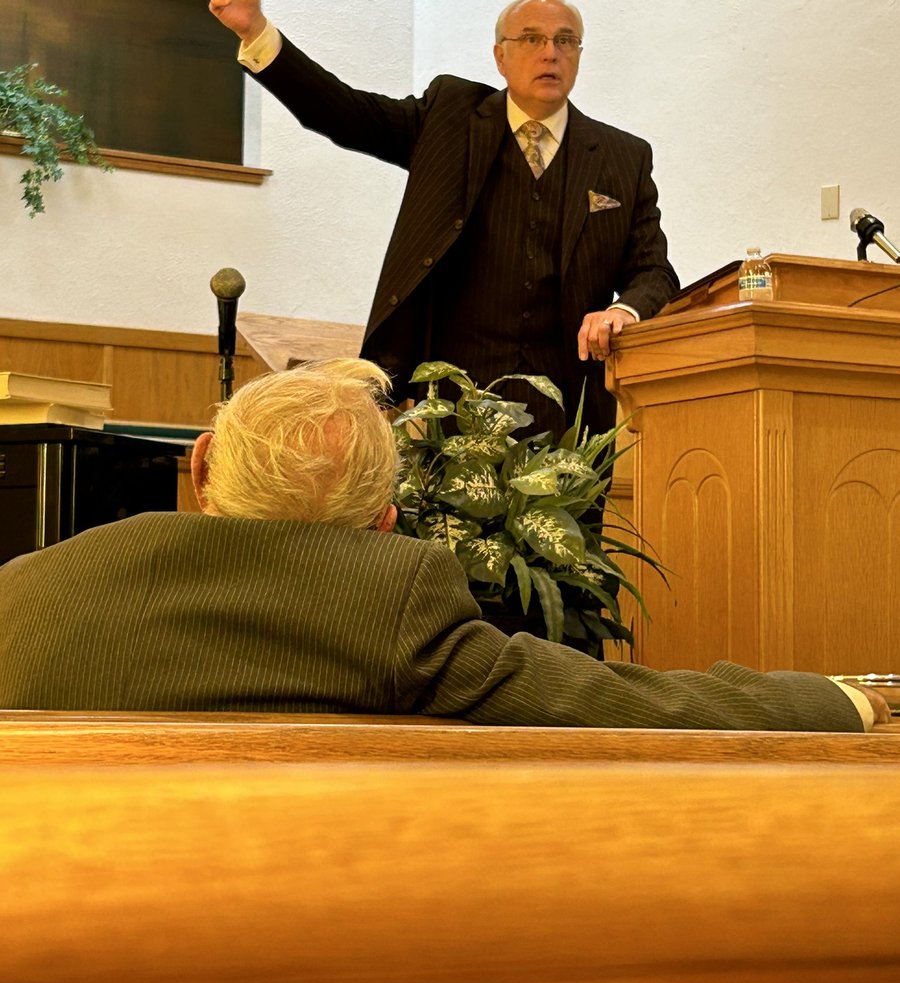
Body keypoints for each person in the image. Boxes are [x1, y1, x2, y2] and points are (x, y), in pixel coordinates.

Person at [0, 359, 887, 730]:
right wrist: (853, 700)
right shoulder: (393, 604)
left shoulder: (25, 591)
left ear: (201, 469)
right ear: (387, 519)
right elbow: (624, 704)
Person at [185, 0, 680, 437]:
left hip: (570, 411)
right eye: (531, 39)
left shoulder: (623, 156)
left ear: (577, 55)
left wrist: (624, 308)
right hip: (448, 403)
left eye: (565, 40)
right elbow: (344, 113)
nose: (550, 52)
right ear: (500, 57)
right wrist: (256, 32)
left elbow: (653, 270)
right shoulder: (449, 116)